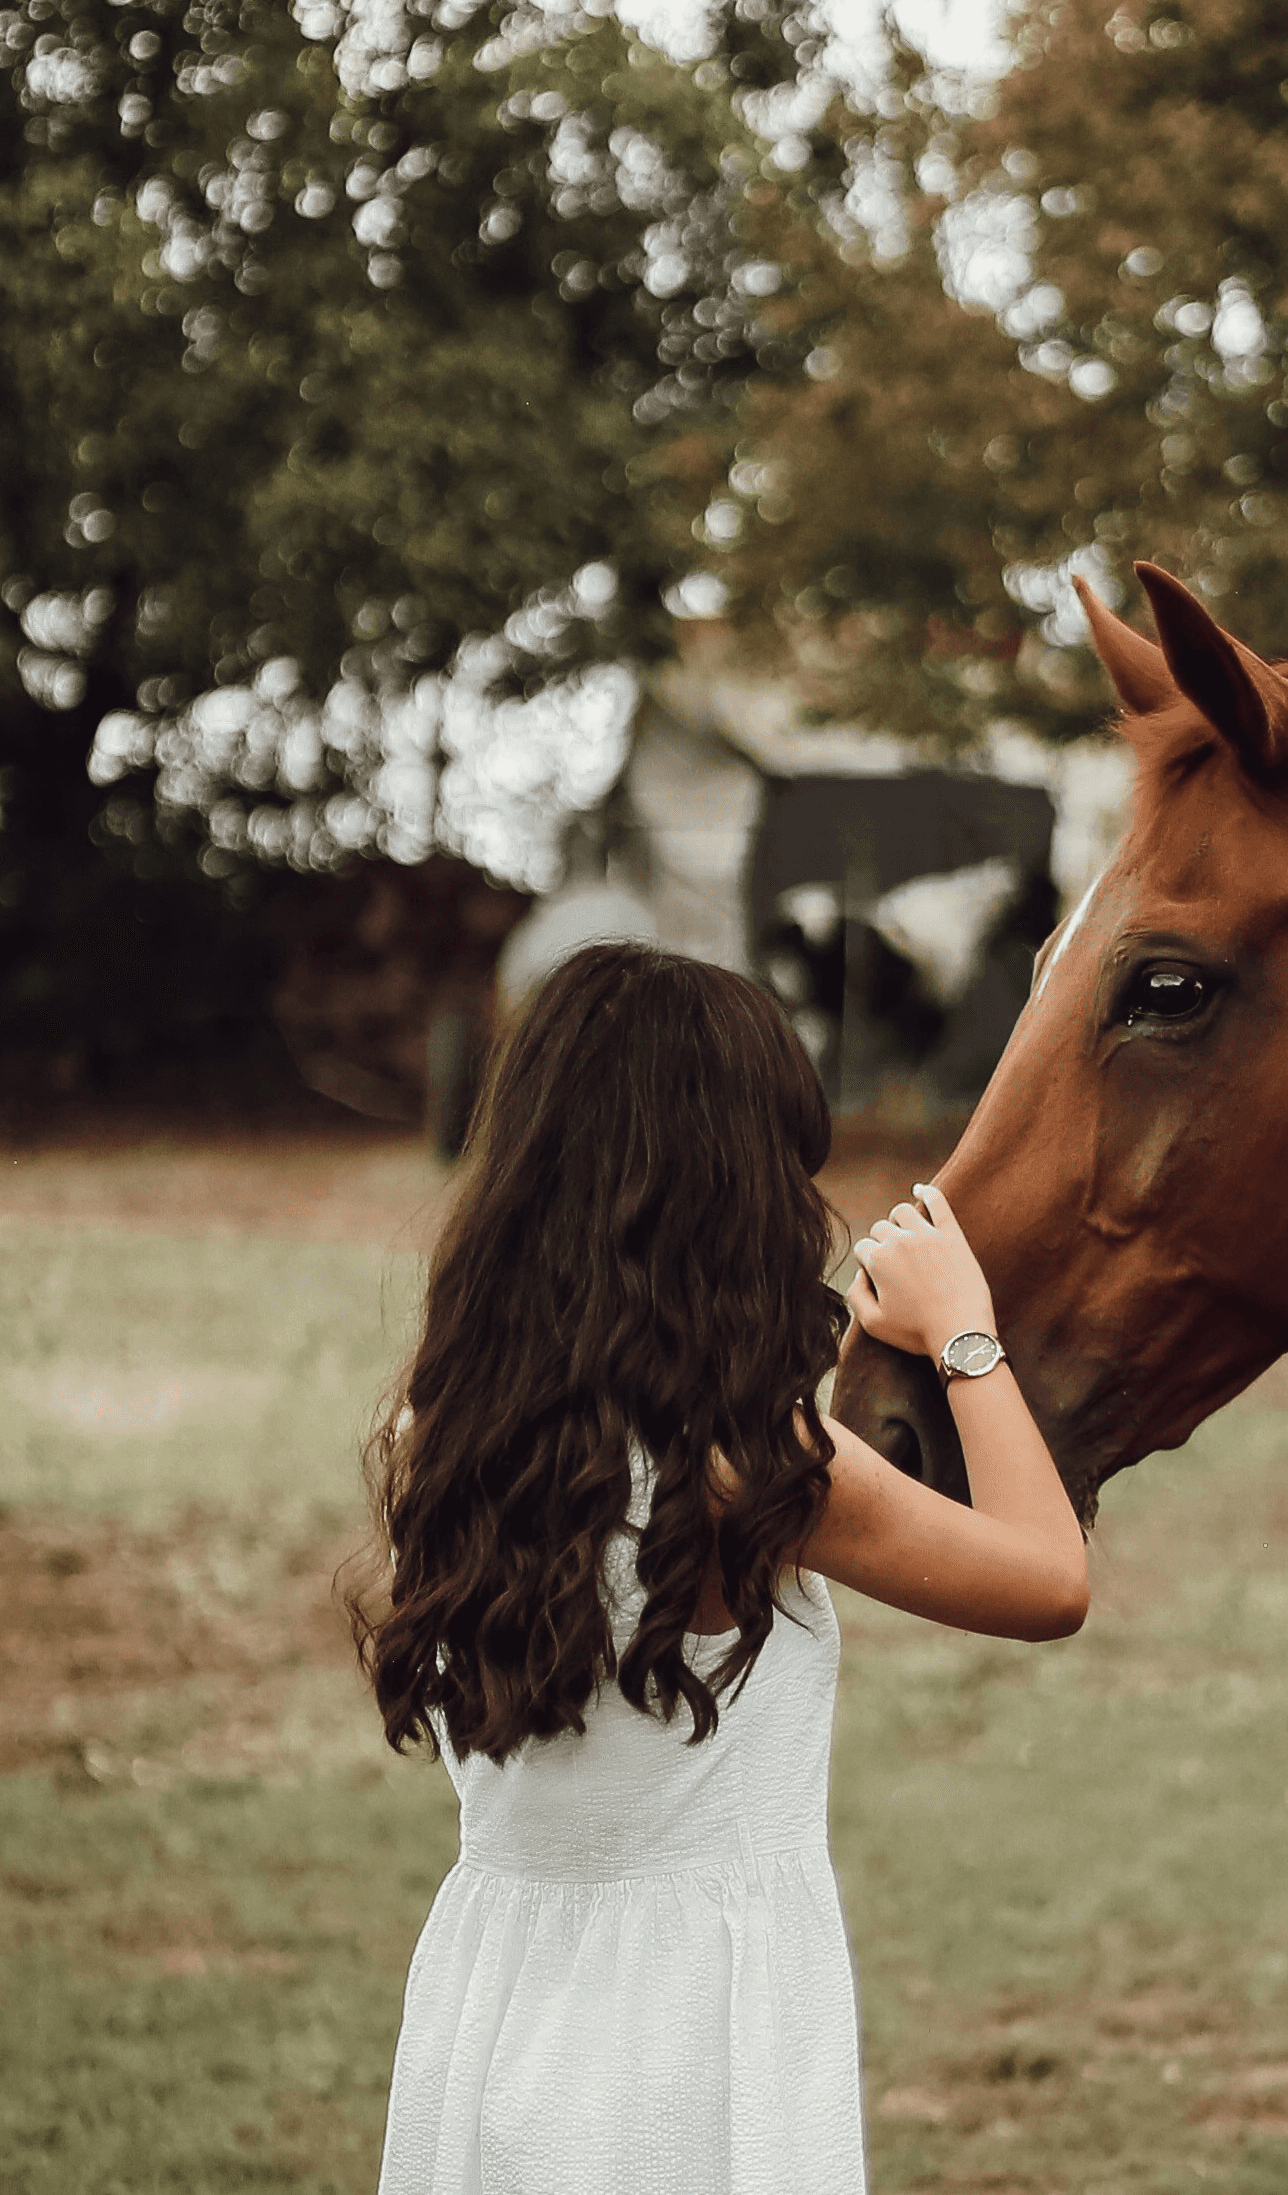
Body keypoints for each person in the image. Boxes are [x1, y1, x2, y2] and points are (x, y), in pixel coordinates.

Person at [352, 940, 1088, 2195]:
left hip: (498, 1999)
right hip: (689, 2031)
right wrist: (965, 1332)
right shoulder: (751, 1460)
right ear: (725, 1188)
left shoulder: (458, 1427)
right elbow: (1044, 1577)